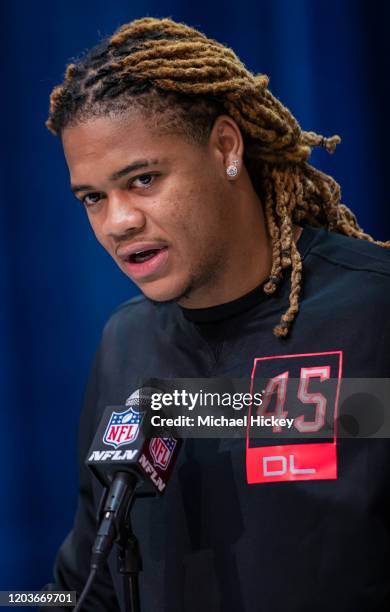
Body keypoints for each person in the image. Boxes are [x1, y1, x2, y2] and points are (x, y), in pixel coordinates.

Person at [44, 16, 390, 612]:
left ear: (226, 148)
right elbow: (81, 587)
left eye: (143, 179)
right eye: (93, 198)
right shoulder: (125, 343)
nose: (117, 221)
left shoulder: (373, 310)